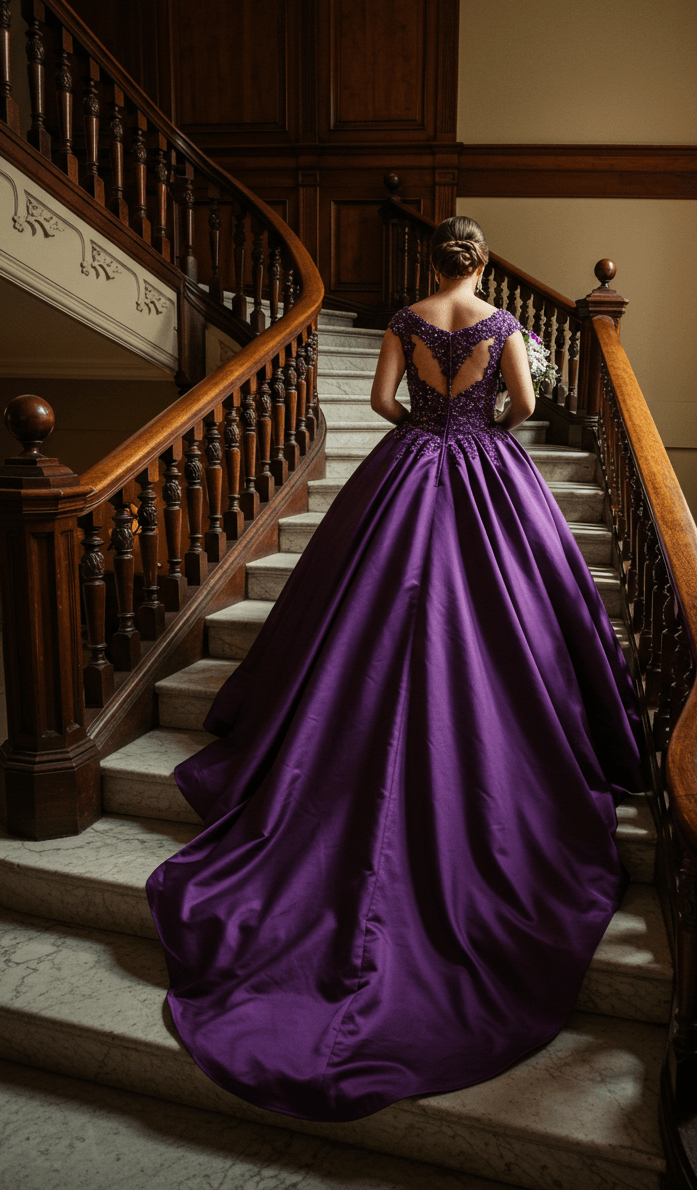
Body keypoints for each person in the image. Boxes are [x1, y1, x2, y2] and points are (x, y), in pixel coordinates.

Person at [146, 216, 645, 1125]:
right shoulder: (499, 326)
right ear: (483, 263)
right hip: (486, 464)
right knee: (513, 607)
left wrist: (427, 418)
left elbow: (379, 405)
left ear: (433, 262)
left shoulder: (406, 321)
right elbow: (526, 410)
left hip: (411, 460)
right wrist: (483, 419)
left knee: (358, 599)